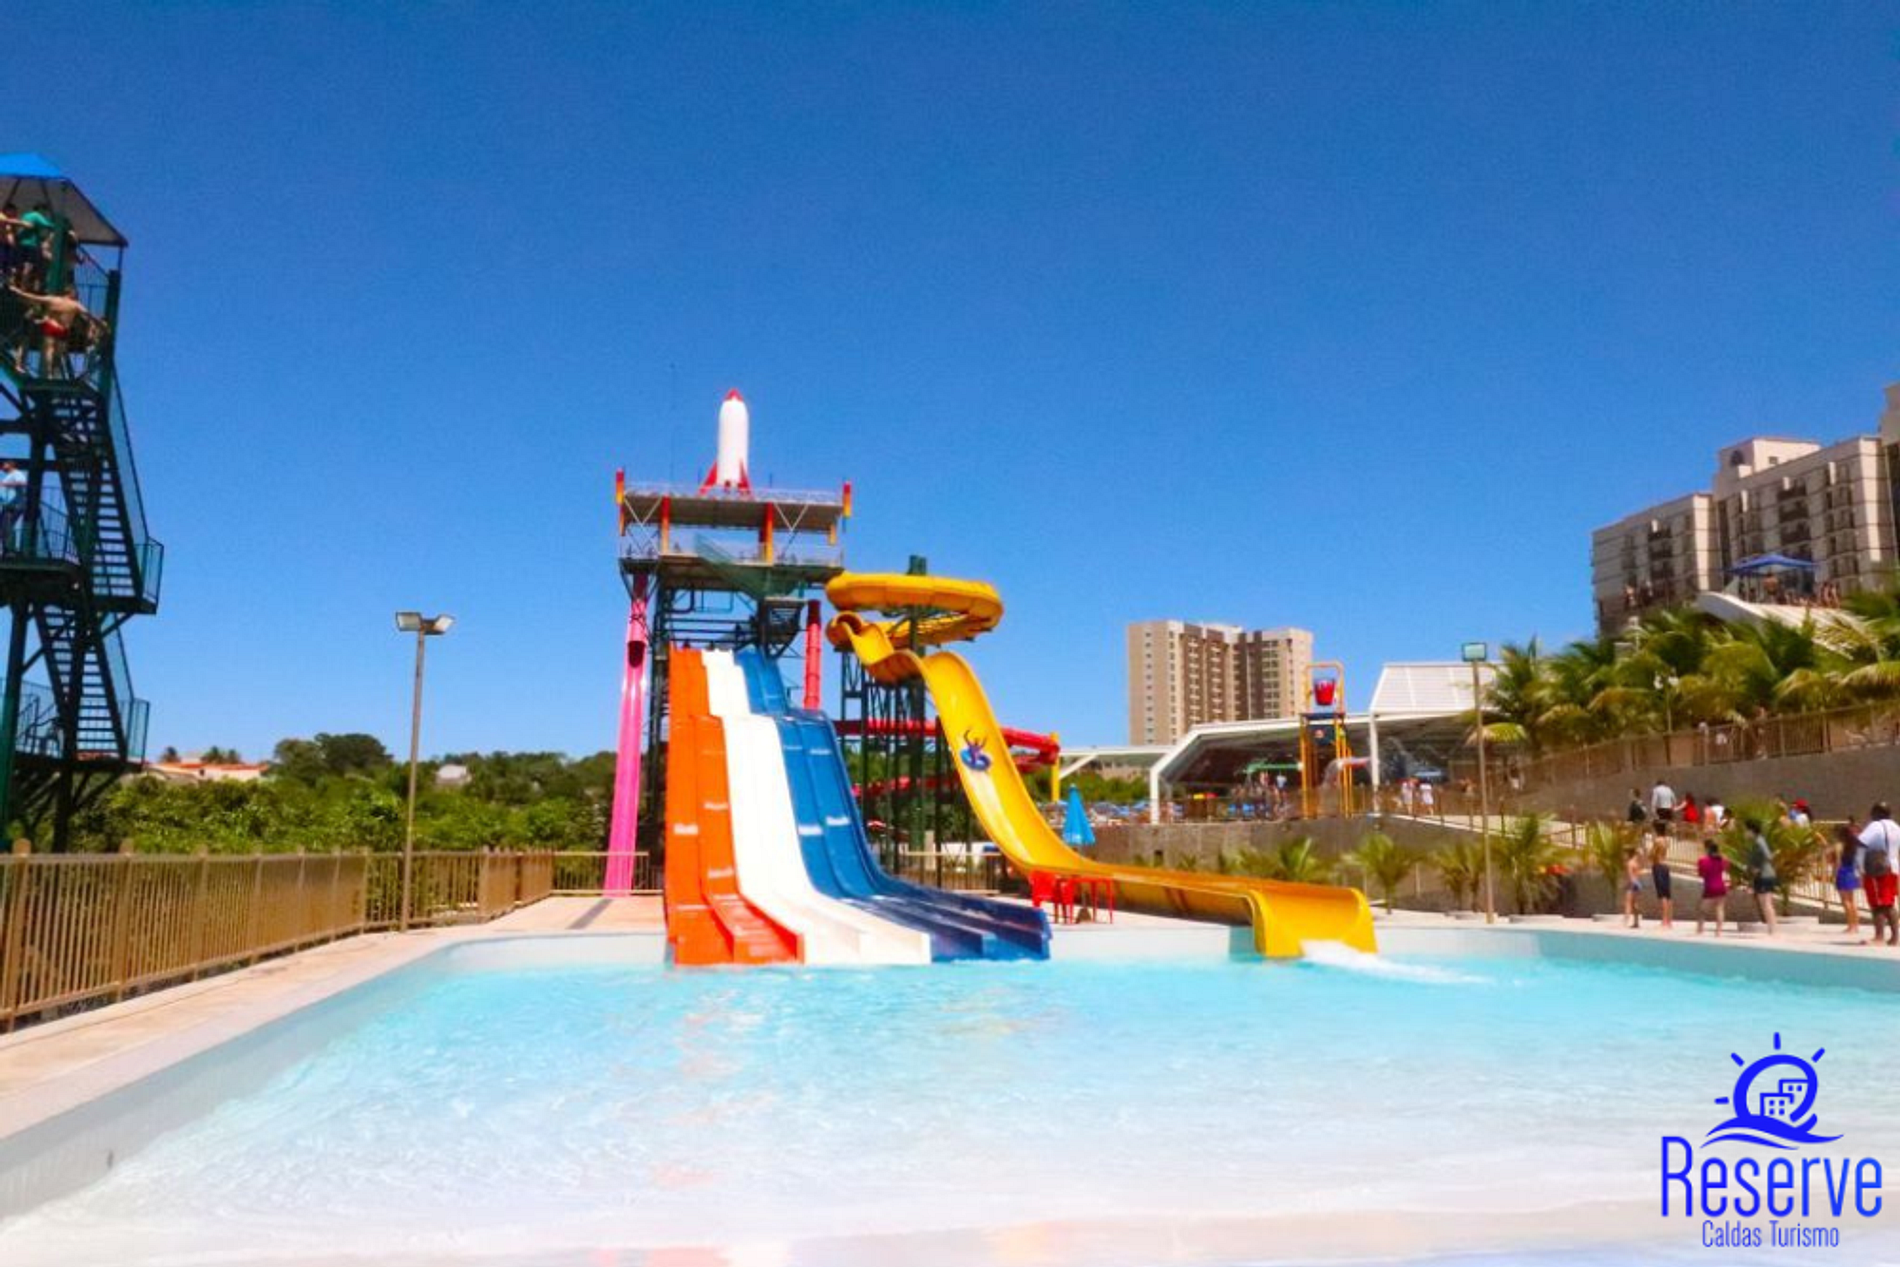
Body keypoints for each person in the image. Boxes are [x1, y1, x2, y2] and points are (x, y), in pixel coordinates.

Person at [6, 282, 90, 378]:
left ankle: (49, 372)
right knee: (28, 344)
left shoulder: (54, 302)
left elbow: (36, 303)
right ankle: (25, 366)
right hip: (41, 324)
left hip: (46, 325)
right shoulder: (60, 303)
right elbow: (31, 300)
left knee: (50, 350)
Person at [1857, 803, 1900, 948]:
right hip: (1892, 868)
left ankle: (1879, 937)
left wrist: (1860, 867)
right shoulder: (1896, 827)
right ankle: (1895, 937)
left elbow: (1861, 842)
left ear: (1877, 813)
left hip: (1877, 869)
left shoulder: (1875, 826)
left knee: (1877, 904)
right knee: (1888, 903)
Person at [1743, 818, 1778, 935]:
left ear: (1751, 830)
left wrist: (1758, 867)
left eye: (1746, 830)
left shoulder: (1759, 841)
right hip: (1762, 875)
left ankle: (1772, 930)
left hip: (1764, 875)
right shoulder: (1757, 841)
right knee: (1765, 903)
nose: (1745, 833)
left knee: (1766, 903)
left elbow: (1768, 856)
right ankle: (1771, 929)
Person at [1832, 822, 1863, 938]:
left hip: (1843, 872)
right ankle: (1855, 925)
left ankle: (1851, 925)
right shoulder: (1853, 845)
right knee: (1852, 900)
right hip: (1852, 871)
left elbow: (1838, 862)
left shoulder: (1839, 846)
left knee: (1845, 901)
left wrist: (1834, 875)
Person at [1696, 839, 1729, 936]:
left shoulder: (1703, 861)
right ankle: (1718, 932)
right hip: (1721, 887)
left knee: (1702, 910)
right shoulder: (1722, 860)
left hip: (1709, 887)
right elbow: (1726, 866)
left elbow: (1701, 874)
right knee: (1720, 909)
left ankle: (1700, 929)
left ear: (1707, 849)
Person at [1650, 829, 1675, 929]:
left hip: (1658, 866)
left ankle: (1664, 921)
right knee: (1668, 895)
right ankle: (1669, 921)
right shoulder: (1665, 841)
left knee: (1663, 896)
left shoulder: (1658, 841)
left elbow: (1652, 854)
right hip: (1665, 866)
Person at [0, 460, 23, 552]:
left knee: (6, 526)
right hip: (9, 505)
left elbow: (21, 484)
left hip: (13, 506)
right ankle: (6, 548)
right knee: (5, 526)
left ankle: (8, 548)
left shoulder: (16, 475)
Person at [1624, 847, 1645, 929]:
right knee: (1635, 904)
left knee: (1628, 903)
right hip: (1638, 884)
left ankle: (1625, 922)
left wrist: (1630, 884)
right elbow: (1638, 873)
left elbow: (1630, 875)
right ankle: (1636, 922)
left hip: (1632, 884)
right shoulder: (1637, 863)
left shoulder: (1630, 863)